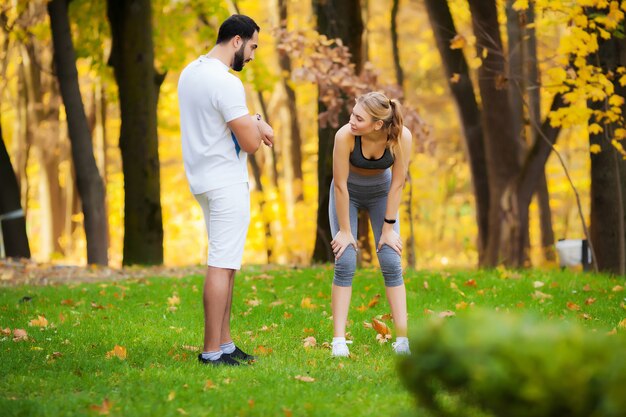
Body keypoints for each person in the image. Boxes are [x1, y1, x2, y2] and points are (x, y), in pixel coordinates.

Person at [178, 14, 274, 366]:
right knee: (221, 264)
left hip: (202, 179)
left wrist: (253, 123)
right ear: (237, 40)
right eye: (252, 47)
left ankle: (226, 343)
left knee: (228, 262)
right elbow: (249, 142)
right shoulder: (227, 83)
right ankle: (211, 352)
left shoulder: (190, 73)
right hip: (225, 180)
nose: (252, 55)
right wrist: (260, 124)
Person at [329, 91, 413, 357]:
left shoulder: (401, 137)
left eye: (358, 118)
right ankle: (339, 341)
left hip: (382, 193)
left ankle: (402, 340)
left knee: (391, 260)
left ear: (378, 124)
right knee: (345, 259)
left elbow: (398, 183)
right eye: (353, 113)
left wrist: (388, 228)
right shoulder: (345, 136)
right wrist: (345, 231)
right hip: (347, 194)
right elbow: (340, 186)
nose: (351, 120)